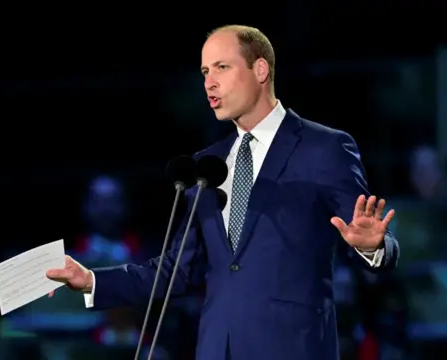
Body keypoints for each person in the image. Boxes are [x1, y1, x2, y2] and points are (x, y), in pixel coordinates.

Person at [46, 25, 400, 360]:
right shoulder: (206, 165)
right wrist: (91, 279)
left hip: (293, 345)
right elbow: (175, 271)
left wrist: (372, 247)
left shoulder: (325, 147)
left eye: (221, 67)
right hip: (218, 347)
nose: (209, 83)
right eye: (204, 72)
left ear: (260, 69)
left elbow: (364, 234)